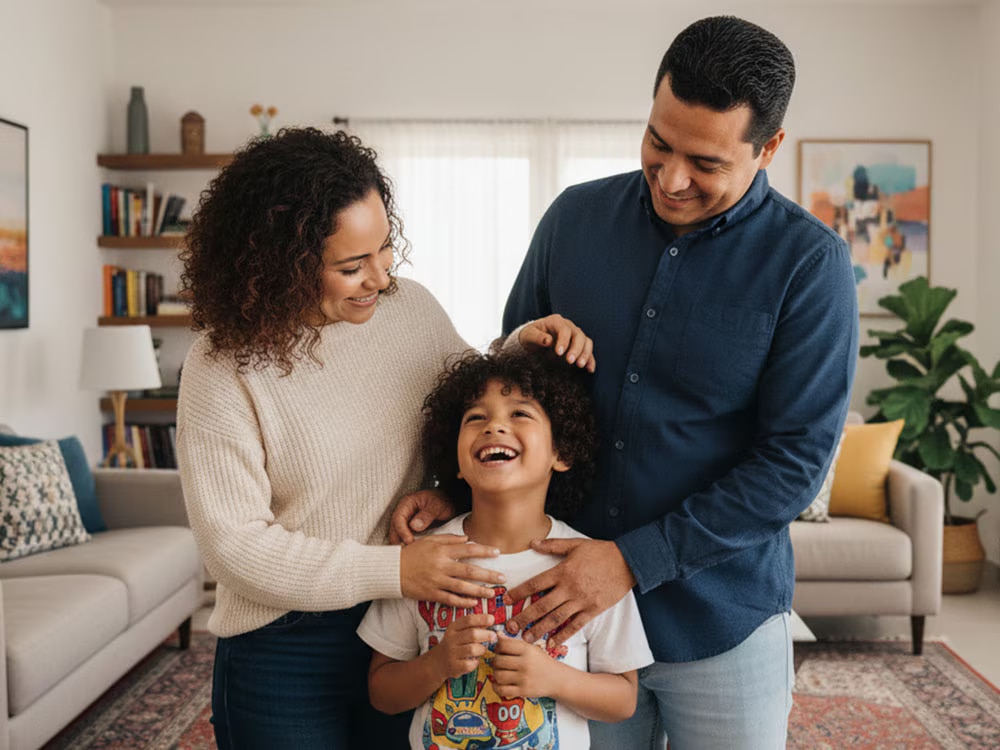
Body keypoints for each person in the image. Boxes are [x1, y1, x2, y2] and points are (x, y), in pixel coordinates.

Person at [394, 16, 859, 749]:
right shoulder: (572, 220)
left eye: (705, 163)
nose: (673, 179)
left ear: (767, 149)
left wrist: (629, 563)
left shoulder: (811, 266)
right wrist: (451, 492)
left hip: (720, 621)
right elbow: (513, 392)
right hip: (565, 628)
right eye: (658, 143)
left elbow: (793, 464)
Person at [175, 127, 594, 750]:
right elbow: (234, 548)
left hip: (411, 624)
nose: (380, 277)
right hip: (285, 645)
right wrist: (394, 569)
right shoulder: (221, 366)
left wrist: (517, 347)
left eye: (384, 250)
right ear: (281, 267)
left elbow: (461, 406)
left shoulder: (408, 308)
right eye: (351, 265)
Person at [359, 350, 653, 749]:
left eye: (519, 414)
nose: (494, 425)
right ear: (457, 462)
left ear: (560, 453)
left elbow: (623, 699)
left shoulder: (589, 565)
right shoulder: (423, 558)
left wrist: (554, 679)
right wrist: (437, 664)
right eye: (476, 417)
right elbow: (382, 693)